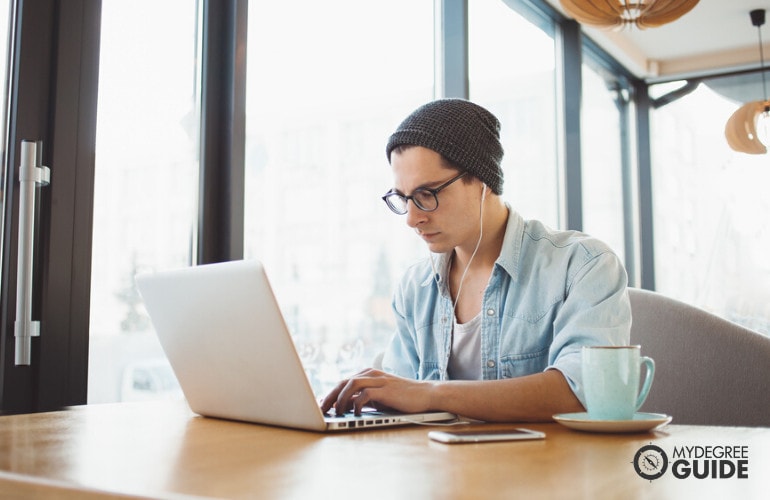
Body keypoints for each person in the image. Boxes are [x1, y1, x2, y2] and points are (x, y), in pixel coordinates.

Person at [321, 99, 631, 422]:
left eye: (427, 195)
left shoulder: (583, 266)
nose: (412, 219)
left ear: (481, 180)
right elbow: (402, 401)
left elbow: (584, 393)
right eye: (403, 198)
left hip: (548, 470)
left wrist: (429, 394)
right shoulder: (415, 288)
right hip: (434, 469)